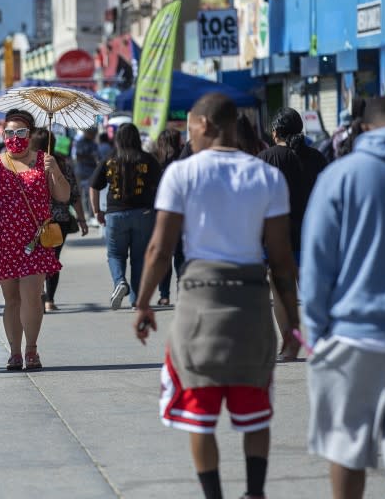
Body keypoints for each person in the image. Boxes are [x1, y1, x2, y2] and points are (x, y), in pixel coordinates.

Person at [133, 93, 299, 499]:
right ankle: (255, 492)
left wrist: (143, 303)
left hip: (199, 304)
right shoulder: (267, 177)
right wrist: (292, 322)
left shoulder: (181, 174)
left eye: (189, 126)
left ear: (205, 125)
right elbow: (280, 259)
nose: (188, 135)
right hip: (252, 304)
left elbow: (159, 250)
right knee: (254, 409)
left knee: (199, 414)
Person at [301, 95, 385, 499]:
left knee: (346, 447)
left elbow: (317, 264)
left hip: (352, 338)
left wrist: (317, 334)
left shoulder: (342, 175)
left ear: (365, 129)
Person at [0, 109, 70, 370]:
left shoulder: (45, 160)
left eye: (20, 132)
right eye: (10, 132)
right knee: (11, 299)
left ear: (30, 134)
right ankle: (14, 352)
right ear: (3, 133)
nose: (15, 137)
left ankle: (31, 349)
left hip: (36, 239)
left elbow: (63, 196)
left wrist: (56, 172)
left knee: (32, 295)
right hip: (2, 239)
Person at [257, 108, 327, 360]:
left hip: (278, 240)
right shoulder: (317, 158)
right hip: (313, 238)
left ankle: (289, 346)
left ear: (275, 132)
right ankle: (322, 343)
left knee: (282, 296)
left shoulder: (266, 158)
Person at [89, 123, 162, 310]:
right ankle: (136, 301)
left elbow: (93, 186)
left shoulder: (110, 159)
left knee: (115, 254)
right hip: (144, 214)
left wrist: (97, 211)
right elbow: (162, 185)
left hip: (115, 214)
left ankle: (120, 282)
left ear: (117, 139)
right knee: (139, 258)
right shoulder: (148, 159)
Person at [29, 129, 88, 312]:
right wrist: (81, 219)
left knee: (37, 259)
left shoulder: (28, 164)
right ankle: (49, 299)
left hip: (35, 220)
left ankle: (39, 295)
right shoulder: (63, 164)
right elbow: (74, 196)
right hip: (58, 221)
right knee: (53, 259)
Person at [153, 129, 185, 306]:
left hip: (162, 213)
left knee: (164, 255)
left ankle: (164, 295)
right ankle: (182, 292)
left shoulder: (157, 161)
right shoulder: (184, 159)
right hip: (182, 214)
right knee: (181, 255)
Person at [73, 126, 98, 222]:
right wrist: (90, 156)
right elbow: (79, 155)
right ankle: (83, 215)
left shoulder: (93, 143)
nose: (94, 136)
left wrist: (88, 156)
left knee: (89, 193)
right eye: (93, 134)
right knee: (80, 194)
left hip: (91, 171)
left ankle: (90, 215)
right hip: (81, 171)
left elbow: (95, 155)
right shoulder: (80, 142)